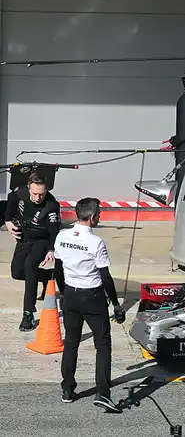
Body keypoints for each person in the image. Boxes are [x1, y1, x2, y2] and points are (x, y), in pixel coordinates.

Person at [54, 197, 125, 412]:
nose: (100, 217)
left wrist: (65, 293)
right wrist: (115, 304)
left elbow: (58, 269)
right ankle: (103, 393)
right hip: (92, 297)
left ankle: (68, 389)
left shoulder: (61, 236)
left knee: (71, 342)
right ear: (93, 217)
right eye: (100, 214)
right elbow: (106, 277)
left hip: (70, 295)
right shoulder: (95, 242)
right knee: (102, 345)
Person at [4, 172, 60, 331]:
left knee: (30, 266)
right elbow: (11, 198)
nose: (37, 197)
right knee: (16, 272)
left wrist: (51, 249)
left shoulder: (51, 205)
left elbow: (53, 230)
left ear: (46, 190)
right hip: (24, 238)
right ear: (28, 188)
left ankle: (28, 313)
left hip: (41, 240)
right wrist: (7, 220)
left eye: (41, 194)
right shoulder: (19, 192)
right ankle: (49, 276)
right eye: (34, 193)